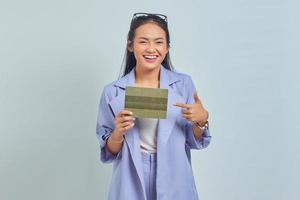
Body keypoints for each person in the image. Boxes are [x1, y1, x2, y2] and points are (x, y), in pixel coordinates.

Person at [96, 12, 211, 200]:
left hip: (174, 173)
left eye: (158, 42)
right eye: (143, 41)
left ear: (167, 48)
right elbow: (109, 152)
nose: (151, 49)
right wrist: (117, 133)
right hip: (130, 175)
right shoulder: (113, 92)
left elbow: (192, 140)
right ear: (131, 45)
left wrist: (202, 120)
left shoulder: (183, 85)